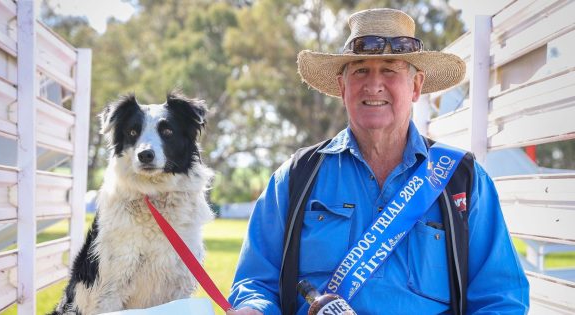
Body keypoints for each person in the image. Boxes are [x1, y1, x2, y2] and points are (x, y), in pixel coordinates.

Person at [226, 8, 529, 315]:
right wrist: (254, 308)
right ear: (342, 87)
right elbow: (255, 282)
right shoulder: (295, 178)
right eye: (360, 71)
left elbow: (501, 298)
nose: (373, 85)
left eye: (389, 70)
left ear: (415, 86)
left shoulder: (463, 179)